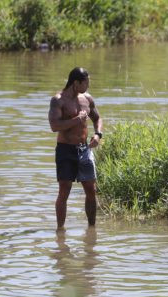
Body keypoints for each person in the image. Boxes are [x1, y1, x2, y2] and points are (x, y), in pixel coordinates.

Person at [48, 67, 103, 229]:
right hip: (65, 150)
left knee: (91, 190)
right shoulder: (58, 100)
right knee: (64, 191)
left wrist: (98, 134)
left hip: (84, 149)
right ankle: (60, 231)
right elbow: (54, 125)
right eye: (86, 82)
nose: (88, 86)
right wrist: (76, 120)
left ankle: (92, 228)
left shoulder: (87, 98)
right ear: (76, 83)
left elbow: (97, 118)